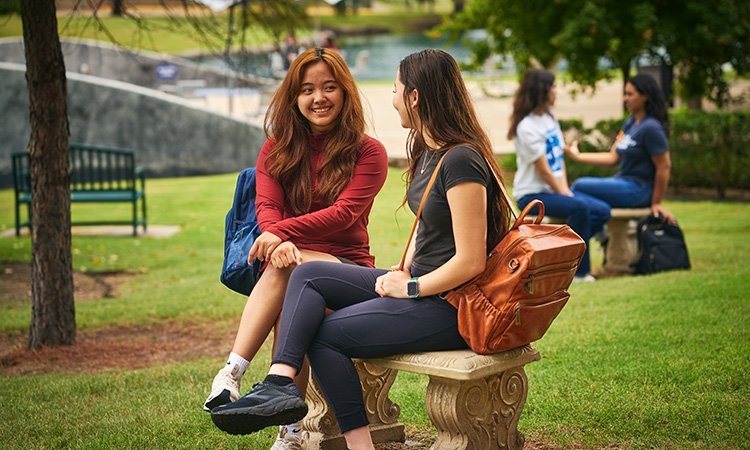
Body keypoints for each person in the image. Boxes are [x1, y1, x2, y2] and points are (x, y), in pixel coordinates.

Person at [210, 48, 513, 450]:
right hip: (421, 287)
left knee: (323, 334)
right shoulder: (428, 154)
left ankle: (351, 440)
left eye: (395, 89)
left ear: (415, 97)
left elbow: (471, 260)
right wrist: (402, 269)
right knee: (305, 274)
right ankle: (279, 383)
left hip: (453, 305)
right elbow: (425, 235)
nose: (392, 98)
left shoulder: (462, 162)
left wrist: (409, 287)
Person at [203, 47, 388, 449]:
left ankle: (233, 374)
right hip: (286, 260)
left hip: (347, 266)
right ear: (294, 97)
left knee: (292, 273)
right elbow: (266, 205)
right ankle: (285, 429)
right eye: (307, 89)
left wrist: (277, 235)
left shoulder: (369, 151)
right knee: (291, 291)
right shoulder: (276, 147)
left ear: (345, 93)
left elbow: (344, 214)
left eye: (329, 87)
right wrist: (278, 239)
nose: (318, 97)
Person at [508, 69, 611, 282]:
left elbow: (558, 161)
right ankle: (580, 273)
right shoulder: (526, 127)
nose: (557, 91)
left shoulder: (549, 118)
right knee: (580, 208)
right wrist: (563, 193)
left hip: (555, 190)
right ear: (542, 91)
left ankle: (564, 253)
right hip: (532, 195)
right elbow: (544, 170)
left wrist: (565, 190)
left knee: (602, 210)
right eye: (553, 87)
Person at [565, 73, 675, 223]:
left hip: (639, 190)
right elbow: (613, 157)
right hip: (622, 183)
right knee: (580, 195)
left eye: (630, 94)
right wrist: (578, 156)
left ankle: (598, 226)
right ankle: (598, 230)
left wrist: (656, 203)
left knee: (579, 186)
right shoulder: (630, 123)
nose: (625, 98)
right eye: (625, 94)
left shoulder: (651, 128)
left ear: (645, 96)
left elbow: (664, 166)